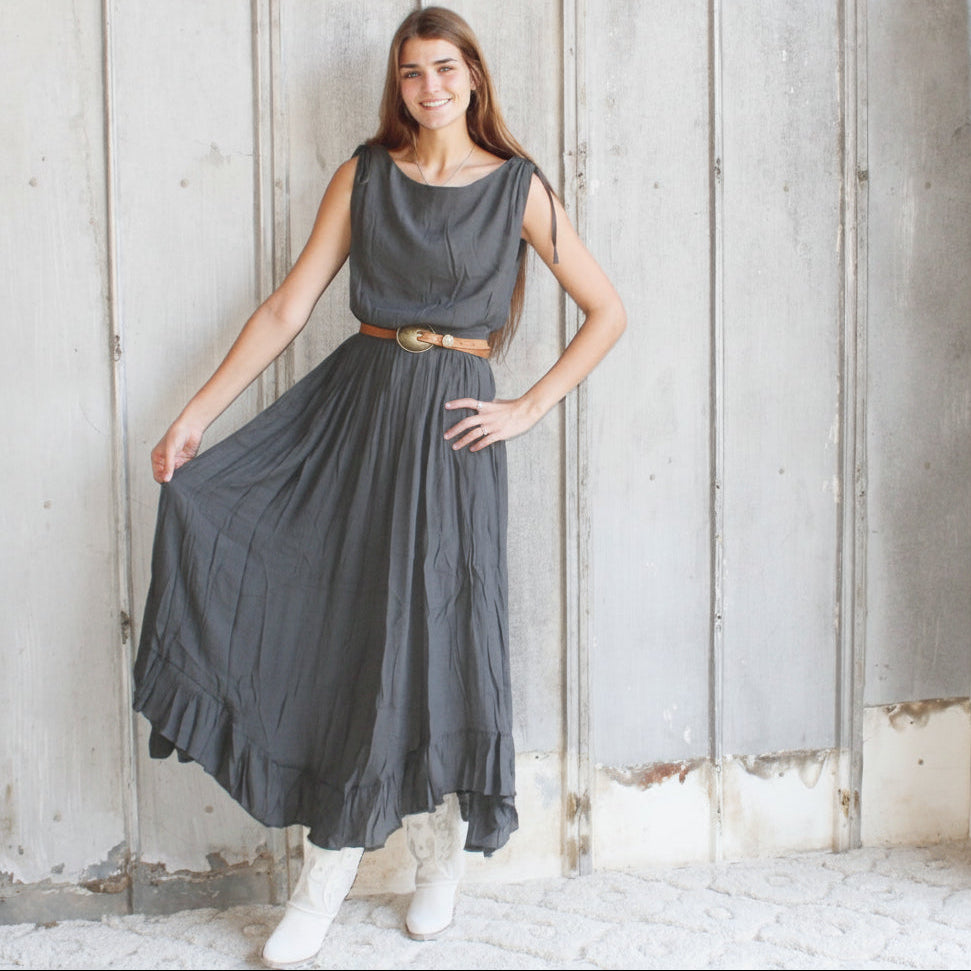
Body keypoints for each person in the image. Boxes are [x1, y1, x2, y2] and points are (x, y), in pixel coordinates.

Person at [133, 6, 625, 968]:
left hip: (452, 428)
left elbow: (606, 311)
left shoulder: (519, 188)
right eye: (411, 73)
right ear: (396, 85)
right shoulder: (362, 177)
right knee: (353, 628)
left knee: (434, 633)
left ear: (474, 78)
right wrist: (196, 413)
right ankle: (331, 870)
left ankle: (435, 853)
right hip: (355, 411)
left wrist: (526, 405)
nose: (430, 87)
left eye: (445, 69)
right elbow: (288, 306)